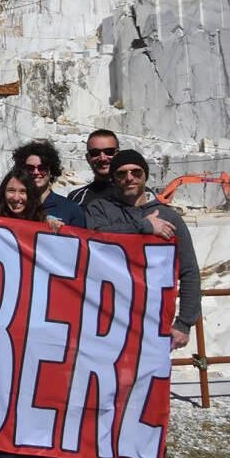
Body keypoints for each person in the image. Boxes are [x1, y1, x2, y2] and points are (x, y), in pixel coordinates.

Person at [85, 149, 201, 349]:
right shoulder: (98, 209)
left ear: (145, 175)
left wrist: (184, 323)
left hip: (153, 320)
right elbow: (95, 239)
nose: (129, 178)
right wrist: (144, 227)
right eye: (121, 173)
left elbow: (189, 271)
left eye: (136, 172)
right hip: (105, 317)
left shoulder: (170, 217)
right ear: (113, 178)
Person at [0, 170, 54, 458]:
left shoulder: (44, 225)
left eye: (23, 192)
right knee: (2, 387)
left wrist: (57, 233)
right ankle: (6, 456)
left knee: (35, 388)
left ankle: (37, 454)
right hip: (0, 320)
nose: (16, 198)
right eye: (11, 191)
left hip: (36, 319)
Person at [12, 140, 86, 228]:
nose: (36, 172)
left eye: (42, 168)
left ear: (51, 171)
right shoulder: (13, 206)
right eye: (30, 168)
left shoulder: (71, 209)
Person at [67, 129, 120, 207]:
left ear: (118, 154)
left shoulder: (138, 194)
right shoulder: (76, 198)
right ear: (88, 158)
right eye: (95, 153)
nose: (103, 158)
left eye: (109, 152)